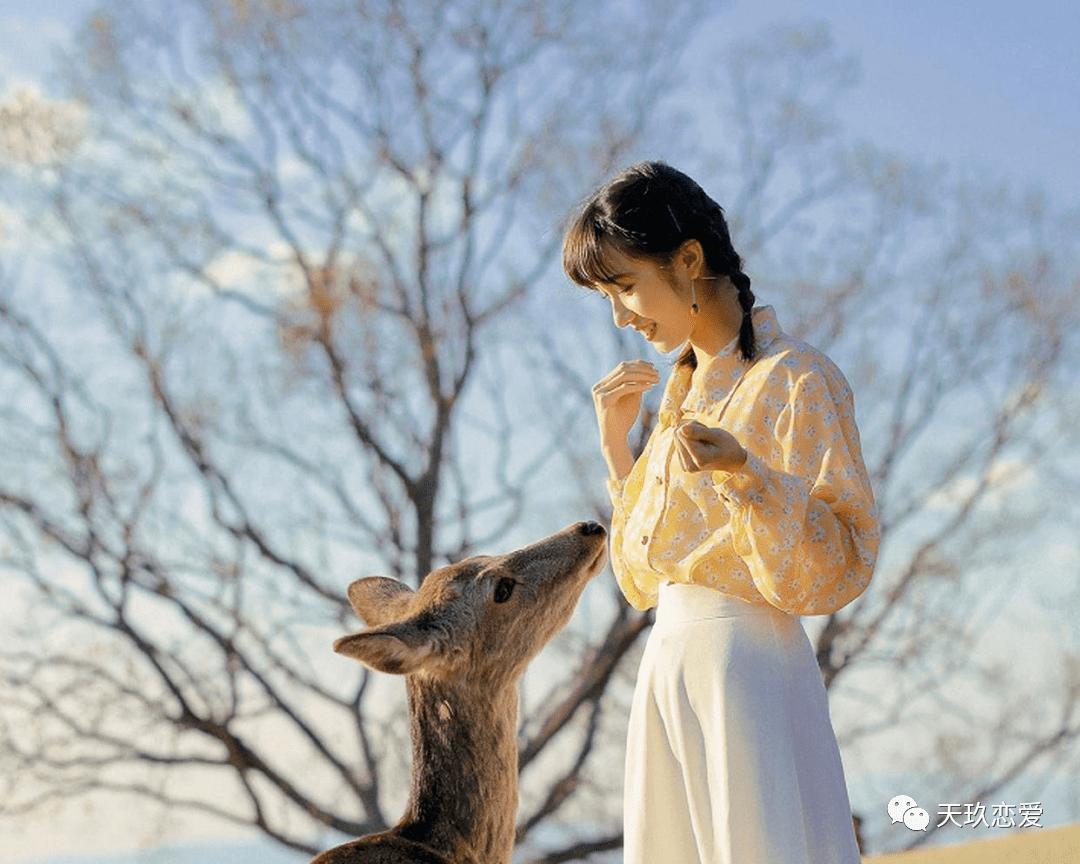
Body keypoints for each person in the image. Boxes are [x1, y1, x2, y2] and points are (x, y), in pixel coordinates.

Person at [562, 161, 880, 864]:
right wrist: (617, 450)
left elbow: (843, 559)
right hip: (667, 669)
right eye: (606, 298)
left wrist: (747, 474)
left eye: (624, 286)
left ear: (688, 259)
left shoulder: (798, 379)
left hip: (750, 669)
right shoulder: (678, 399)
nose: (620, 316)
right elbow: (643, 582)